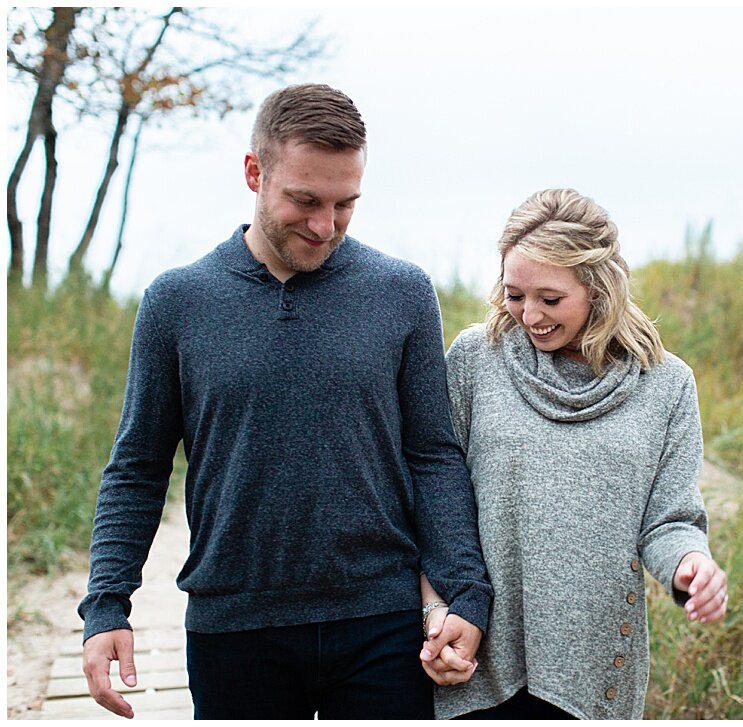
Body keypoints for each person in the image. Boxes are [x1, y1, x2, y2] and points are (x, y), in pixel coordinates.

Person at [77, 83, 492, 720]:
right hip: (235, 629)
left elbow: (432, 456)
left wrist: (466, 593)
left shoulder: (401, 292)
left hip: (381, 623)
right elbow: (137, 467)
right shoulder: (177, 303)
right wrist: (107, 604)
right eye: (305, 200)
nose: (325, 225)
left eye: (345, 204)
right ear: (254, 171)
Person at [418, 188, 729, 719]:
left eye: (550, 298)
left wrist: (689, 563)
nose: (530, 314)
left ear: (599, 289)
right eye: (515, 295)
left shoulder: (666, 385)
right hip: (479, 652)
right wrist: (438, 608)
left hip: (590, 663)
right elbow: (437, 494)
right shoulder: (476, 360)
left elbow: (667, 519)